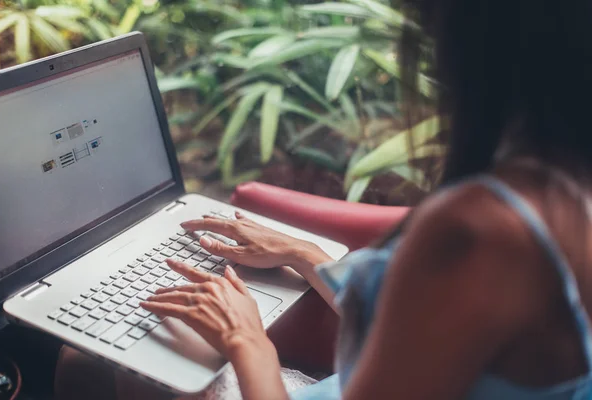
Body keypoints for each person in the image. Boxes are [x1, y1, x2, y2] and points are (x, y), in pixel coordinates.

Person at [56, 0, 592, 398]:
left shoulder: (477, 231)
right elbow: (442, 330)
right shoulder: (564, 190)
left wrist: (247, 341)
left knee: (82, 359)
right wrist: (304, 254)